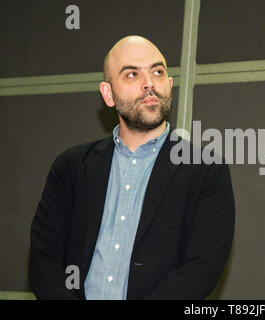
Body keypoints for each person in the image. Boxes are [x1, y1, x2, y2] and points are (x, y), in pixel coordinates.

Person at [29, 35, 235, 300]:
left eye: (157, 72)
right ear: (108, 94)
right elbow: (43, 259)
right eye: (131, 74)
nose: (149, 84)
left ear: (169, 85)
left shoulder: (206, 170)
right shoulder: (69, 167)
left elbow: (202, 268)